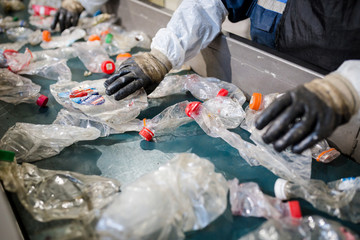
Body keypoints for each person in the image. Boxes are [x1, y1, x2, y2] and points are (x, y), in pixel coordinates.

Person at [104, 0, 360, 153]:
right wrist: (161, 57)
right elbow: (210, 3)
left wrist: (343, 91)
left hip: (346, 117)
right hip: (267, 96)